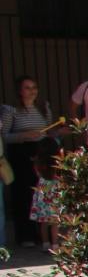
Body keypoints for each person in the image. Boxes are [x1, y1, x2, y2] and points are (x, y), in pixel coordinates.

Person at [2, 76, 57, 248]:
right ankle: (26, 236)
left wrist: (57, 133)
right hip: (22, 154)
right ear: (19, 91)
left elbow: (48, 132)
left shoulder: (43, 107)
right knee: (24, 194)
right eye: (27, 88)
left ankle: (45, 237)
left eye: (34, 87)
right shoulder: (11, 110)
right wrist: (24, 135)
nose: (32, 91)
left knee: (43, 194)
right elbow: (5, 136)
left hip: (41, 153)